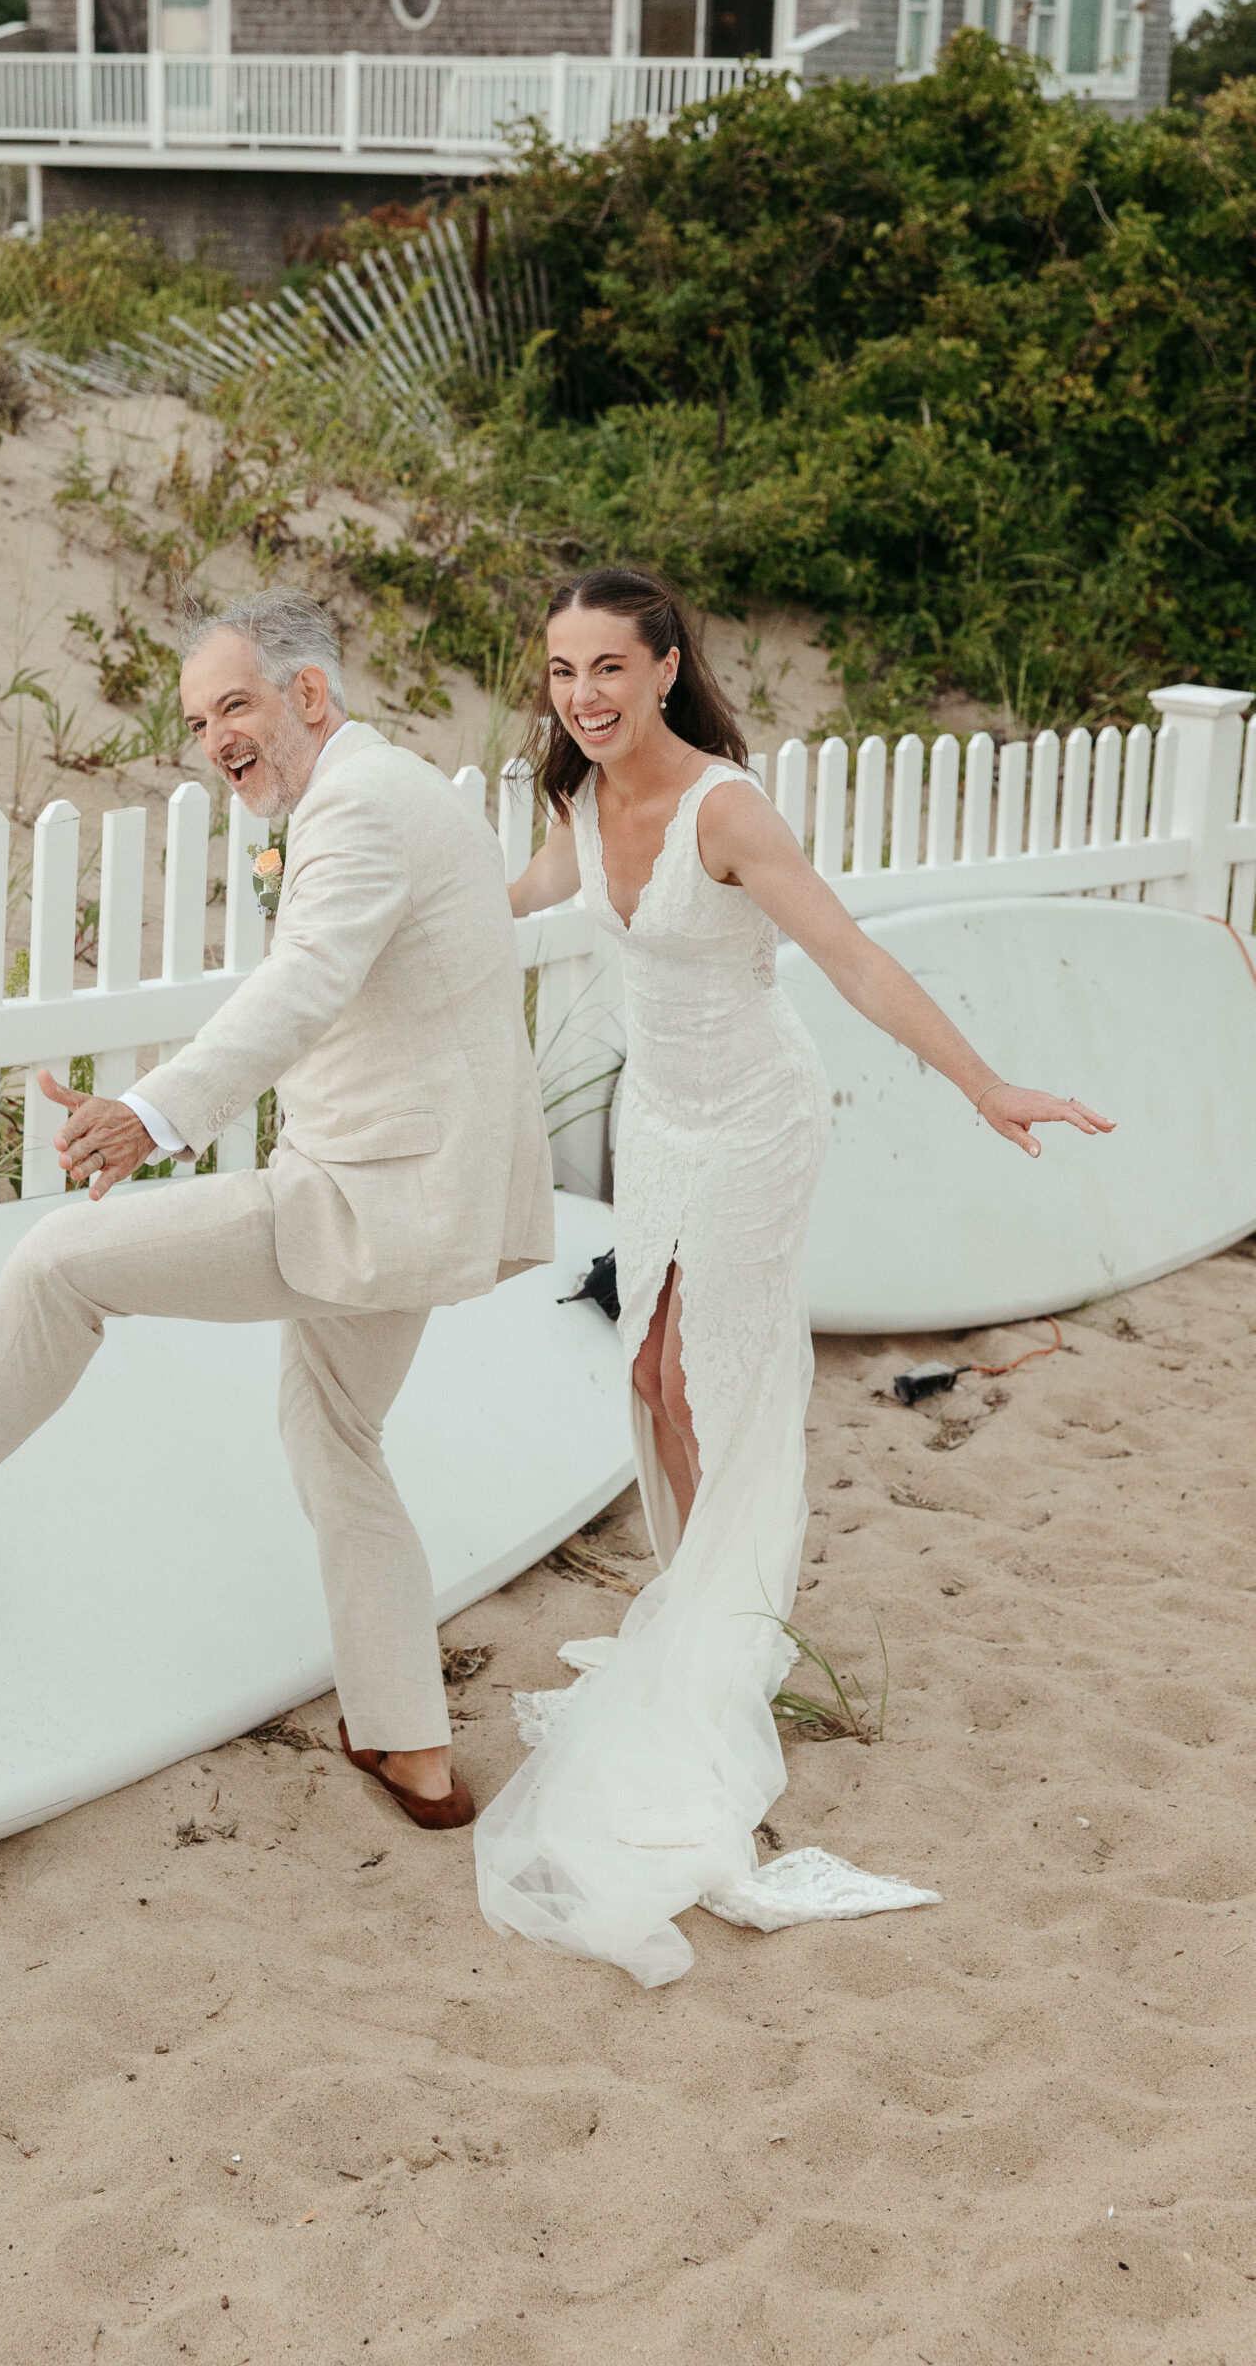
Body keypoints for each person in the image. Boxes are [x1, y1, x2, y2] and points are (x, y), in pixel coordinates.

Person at [0, 589, 553, 1833]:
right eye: (198, 718)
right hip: (425, 1189)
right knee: (337, 1439)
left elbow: (301, 986)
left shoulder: (363, 807)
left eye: (236, 704)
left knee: (65, 1258)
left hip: (367, 1195)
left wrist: (152, 1116)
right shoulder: (377, 790)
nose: (217, 734)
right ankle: (412, 1747)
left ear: (310, 695)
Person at [473, 568, 1112, 1985]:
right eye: (559, 672)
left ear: (662, 668)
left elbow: (853, 962)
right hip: (657, 1119)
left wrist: (983, 1084)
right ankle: (709, 1617)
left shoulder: (725, 808)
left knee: (717, 1371)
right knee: (646, 1367)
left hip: (757, 1118)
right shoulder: (573, 801)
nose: (580, 696)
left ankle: (716, 1647)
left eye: (606, 670)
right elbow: (502, 903)